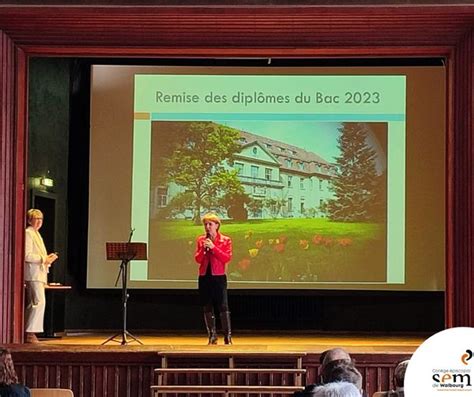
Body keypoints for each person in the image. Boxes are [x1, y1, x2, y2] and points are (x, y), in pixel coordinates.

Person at [194, 213, 233, 345]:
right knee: (207, 306)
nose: (207, 227)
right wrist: (204, 250)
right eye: (205, 224)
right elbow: (198, 259)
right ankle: (212, 335)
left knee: (223, 306)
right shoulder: (201, 240)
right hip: (205, 276)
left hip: (219, 276)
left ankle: (227, 336)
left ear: (217, 225)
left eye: (210, 224)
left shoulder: (225, 240)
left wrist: (213, 248)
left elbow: (226, 258)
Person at [24, 209, 58, 344]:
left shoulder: (36, 234)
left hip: (39, 273)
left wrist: (47, 259)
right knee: (38, 302)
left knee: (36, 302)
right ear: (29, 220)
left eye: (41, 219)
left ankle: (29, 332)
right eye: (36, 218)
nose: (39, 222)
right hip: (33, 274)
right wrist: (44, 259)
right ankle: (30, 333)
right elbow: (27, 255)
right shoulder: (28, 233)